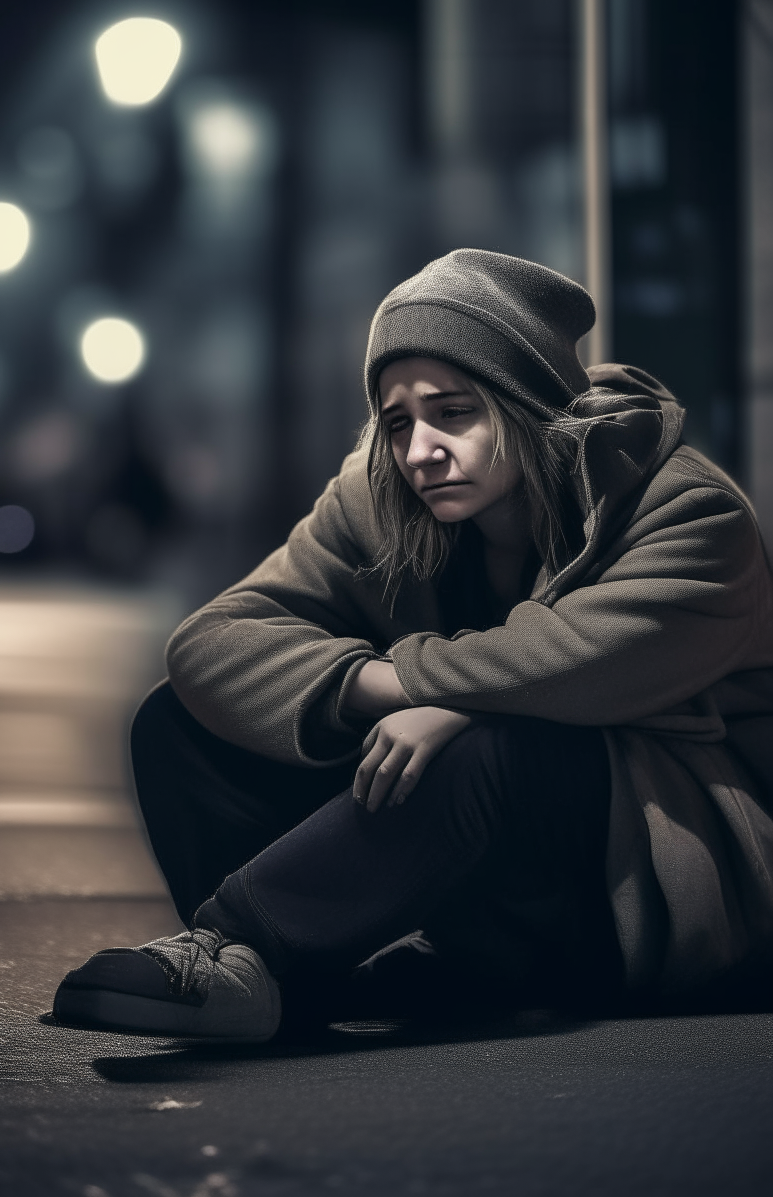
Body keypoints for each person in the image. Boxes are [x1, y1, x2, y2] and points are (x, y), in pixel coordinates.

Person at [53, 249, 773, 1040]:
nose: (420, 448)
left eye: (452, 411)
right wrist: (381, 687)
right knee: (178, 723)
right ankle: (294, 992)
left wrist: (453, 708)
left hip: (668, 883)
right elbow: (212, 643)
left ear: (526, 400)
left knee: (495, 743)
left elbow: (575, 662)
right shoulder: (381, 498)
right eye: (398, 422)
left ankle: (239, 947)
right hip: (498, 881)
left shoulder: (687, 510)